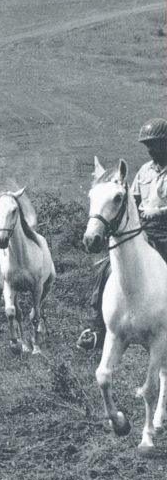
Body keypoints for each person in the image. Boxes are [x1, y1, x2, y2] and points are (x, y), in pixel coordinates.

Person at [78, 118, 167, 351]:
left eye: (155, 143)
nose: (150, 148)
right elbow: (133, 199)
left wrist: (159, 211)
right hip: (145, 232)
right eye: (148, 144)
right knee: (106, 267)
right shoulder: (145, 171)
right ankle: (98, 327)